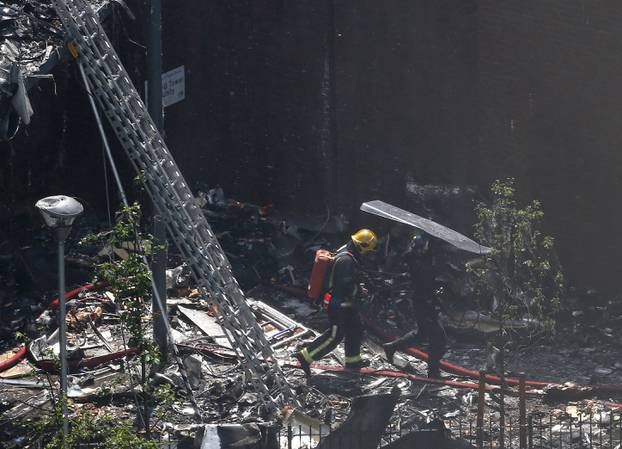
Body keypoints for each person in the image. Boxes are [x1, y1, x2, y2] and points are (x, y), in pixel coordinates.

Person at [295, 228, 378, 377]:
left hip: (345, 302)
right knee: (335, 335)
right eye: (368, 250)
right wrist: (359, 291)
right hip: (337, 303)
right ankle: (305, 356)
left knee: (355, 328)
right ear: (362, 246)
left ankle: (353, 360)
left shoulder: (347, 252)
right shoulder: (347, 260)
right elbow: (343, 286)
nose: (368, 254)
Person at [382, 232, 447, 378]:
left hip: (422, 303)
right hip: (424, 304)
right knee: (439, 338)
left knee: (422, 333)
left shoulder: (415, 258)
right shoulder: (420, 264)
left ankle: (392, 347)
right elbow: (430, 275)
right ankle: (433, 371)